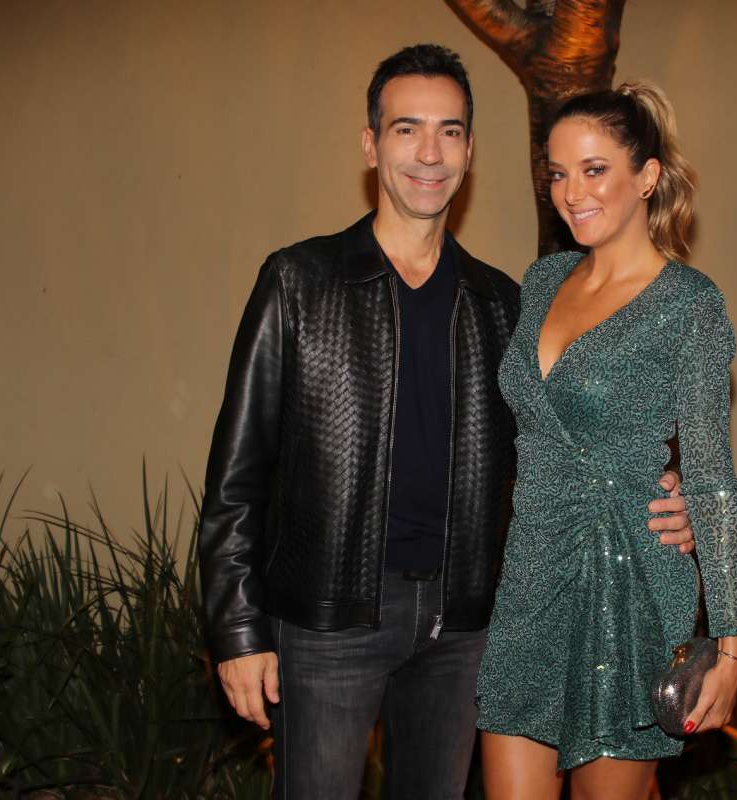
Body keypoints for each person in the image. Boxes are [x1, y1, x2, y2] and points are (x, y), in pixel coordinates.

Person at [198, 46, 697, 800]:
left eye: (451, 131)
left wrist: (661, 497)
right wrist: (238, 631)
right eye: (407, 129)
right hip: (329, 621)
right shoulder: (299, 283)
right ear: (371, 146)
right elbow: (236, 480)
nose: (430, 153)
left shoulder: (505, 306)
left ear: (470, 151)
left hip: (464, 626)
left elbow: (567, 446)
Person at [476, 81, 737, 799]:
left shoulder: (689, 305)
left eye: (594, 170)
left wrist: (730, 649)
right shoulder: (543, 280)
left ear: (647, 177)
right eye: (558, 173)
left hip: (628, 584)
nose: (572, 193)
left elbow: (712, 478)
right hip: (530, 576)